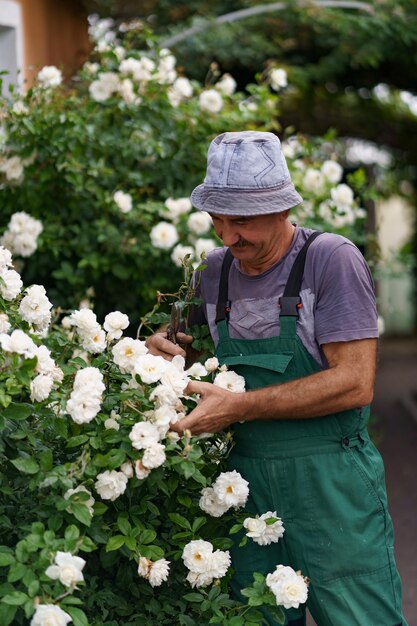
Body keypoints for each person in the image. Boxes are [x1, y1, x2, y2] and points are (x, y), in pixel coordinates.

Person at [146, 131, 406, 626]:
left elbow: (355, 382)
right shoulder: (214, 272)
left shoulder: (329, 260)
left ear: (282, 208)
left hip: (332, 485)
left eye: (240, 221)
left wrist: (238, 406)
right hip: (244, 487)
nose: (226, 237)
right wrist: (161, 347)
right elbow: (191, 352)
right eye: (216, 220)